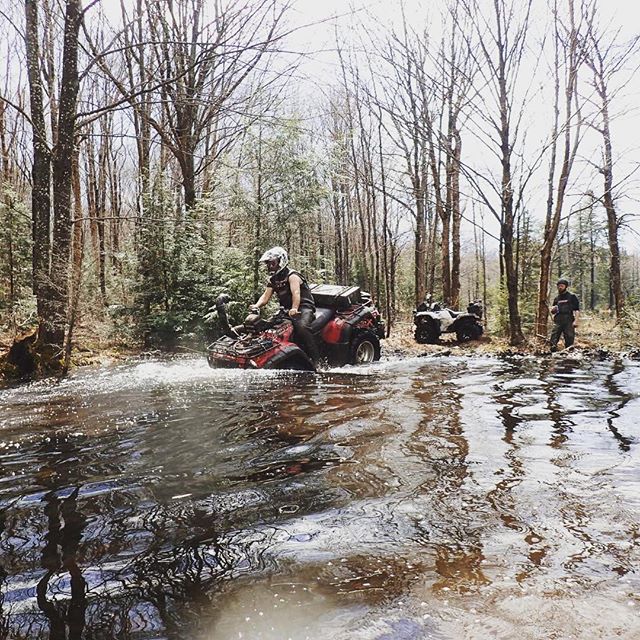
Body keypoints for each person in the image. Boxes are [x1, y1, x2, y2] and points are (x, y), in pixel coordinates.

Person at [251, 247, 320, 364]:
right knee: (266, 326)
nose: (269, 266)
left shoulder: (292, 275)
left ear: (281, 261)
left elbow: (296, 293)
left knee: (302, 328)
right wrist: (257, 305)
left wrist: (294, 308)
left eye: (272, 263)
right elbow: (265, 296)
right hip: (285, 310)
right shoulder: (273, 279)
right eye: (268, 263)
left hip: (303, 308)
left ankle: (317, 361)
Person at [550, 278, 580, 352]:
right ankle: (553, 353)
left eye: (562, 286)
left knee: (569, 338)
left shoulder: (572, 296)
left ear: (566, 287)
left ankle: (569, 354)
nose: (560, 287)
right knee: (553, 337)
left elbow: (577, 310)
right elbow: (553, 310)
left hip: (568, 319)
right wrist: (553, 310)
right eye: (559, 286)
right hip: (558, 320)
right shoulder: (557, 298)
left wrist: (576, 321)